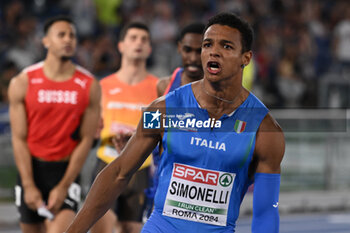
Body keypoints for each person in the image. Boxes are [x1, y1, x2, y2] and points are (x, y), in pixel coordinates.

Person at [66, 12, 285, 233]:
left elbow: (266, 211)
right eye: (207, 45)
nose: (214, 52)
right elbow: (118, 172)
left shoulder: (265, 129)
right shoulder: (160, 109)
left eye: (226, 46)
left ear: (245, 58)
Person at [8, 15, 101, 233]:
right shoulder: (23, 81)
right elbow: (19, 138)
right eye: (61, 35)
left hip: (65, 170)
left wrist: (64, 185)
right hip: (31, 170)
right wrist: (29, 184)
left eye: (72, 35)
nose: (68, 39)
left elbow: (86, 139)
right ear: (46, 41)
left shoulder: (89, 85)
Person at [90, 22, 158, 233]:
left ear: (149, 49)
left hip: (141, 169)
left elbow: (158, 134)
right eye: (133, 38)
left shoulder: (158, 88)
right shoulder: (103, 86)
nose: (138, 43)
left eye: (143, 39)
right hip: (107, 164)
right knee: (102, 229)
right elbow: (93, 130)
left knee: (132, 229)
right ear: (121, 46)